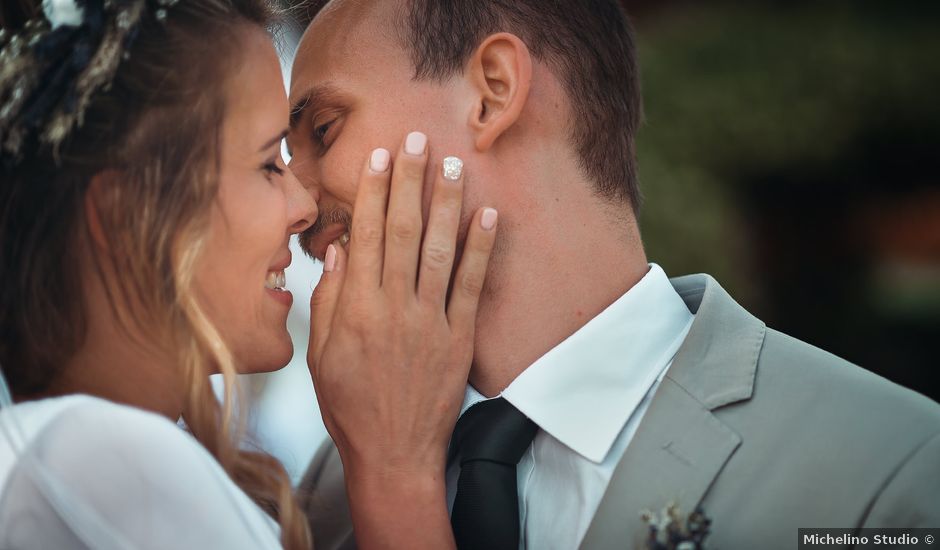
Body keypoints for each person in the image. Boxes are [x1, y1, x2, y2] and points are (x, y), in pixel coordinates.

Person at [289, 1, 940, 549]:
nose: (294, 204)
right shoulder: (333, 484)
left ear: (491, 90)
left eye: (323, 130)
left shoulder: (896, 467)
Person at [0, 1, 494, 548]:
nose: (304, 205)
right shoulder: (96, 464)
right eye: (267, 164)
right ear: (126, 215)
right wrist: (394, 474)